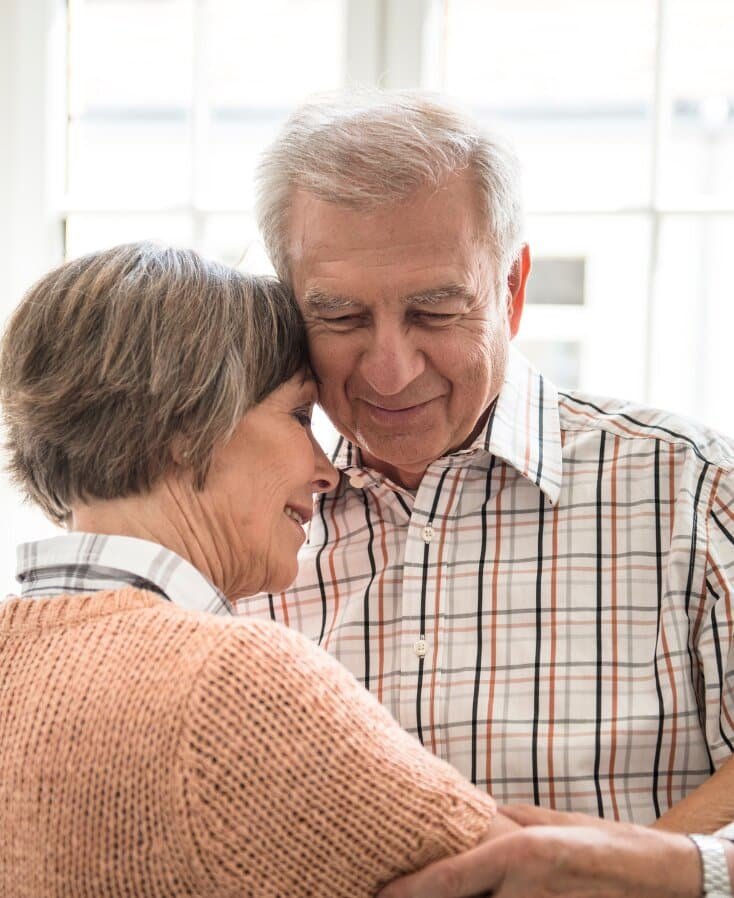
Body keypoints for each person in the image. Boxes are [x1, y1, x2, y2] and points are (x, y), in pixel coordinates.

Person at [236, 89, 734, 890]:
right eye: (341, 317)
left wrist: (652, 872)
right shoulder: (239, 529)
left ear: (512, 289)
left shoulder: (693, 491)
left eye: (436, 309)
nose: (389, 370)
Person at [0, 242, 520, 897]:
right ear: (187, 423)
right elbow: (540, 880)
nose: (327, 469)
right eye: (300, 415)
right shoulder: (233, 681)